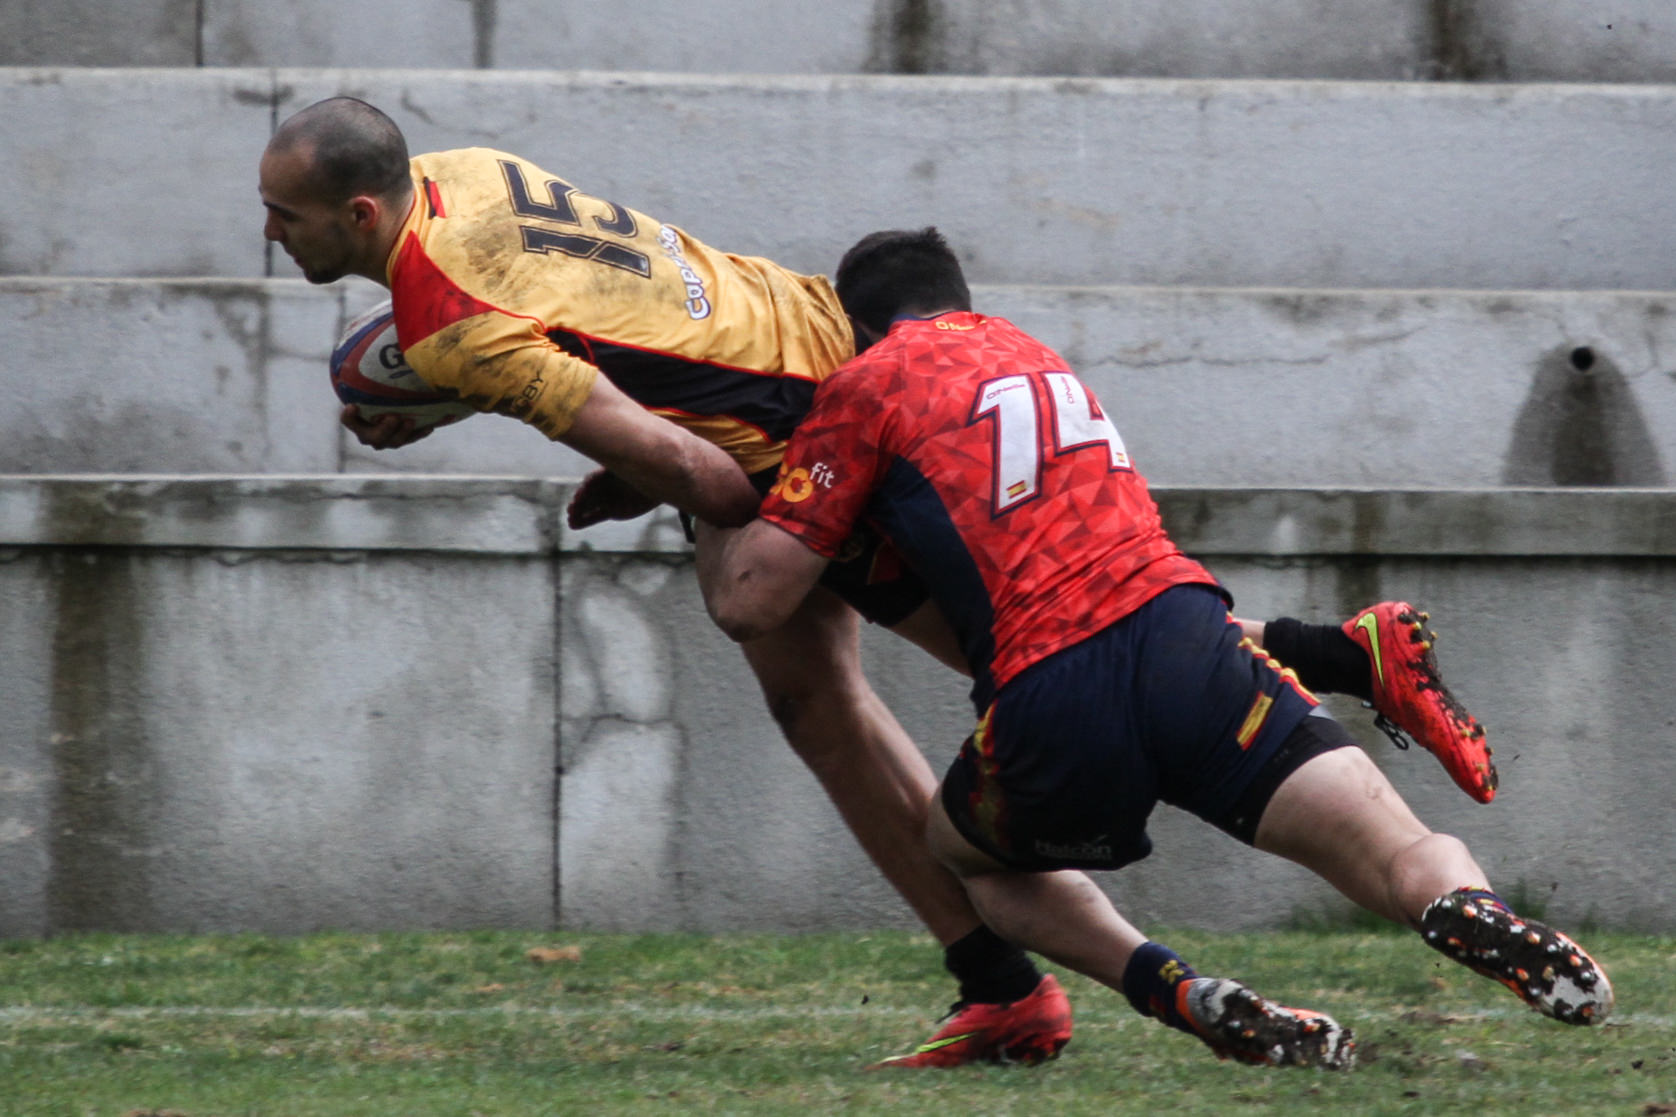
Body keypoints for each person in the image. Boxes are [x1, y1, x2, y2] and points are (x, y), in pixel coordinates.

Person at [258, 97, 1496, 1068]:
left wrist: (478, 398)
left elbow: (700, 475)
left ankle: (1328, 665)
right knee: (823, 698)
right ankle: (997, 983)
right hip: (800, 333)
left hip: (798, 431)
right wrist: (579, 437)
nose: (270, 234)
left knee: (1047, 651)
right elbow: (606, 323)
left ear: (360, 212)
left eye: (286, 215)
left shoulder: (452, 323)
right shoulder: (461, 173)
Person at [695, 228, 1611, 1068]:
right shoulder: (1040, 358)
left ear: (854, 327)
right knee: (1396, 848)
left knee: (971, 858)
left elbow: (750, 602)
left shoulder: (865, 383)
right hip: (1188, 636)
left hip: (1052, 686)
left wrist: (702, 473)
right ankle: (1467, 905)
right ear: (962, 298)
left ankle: (1181, 989)